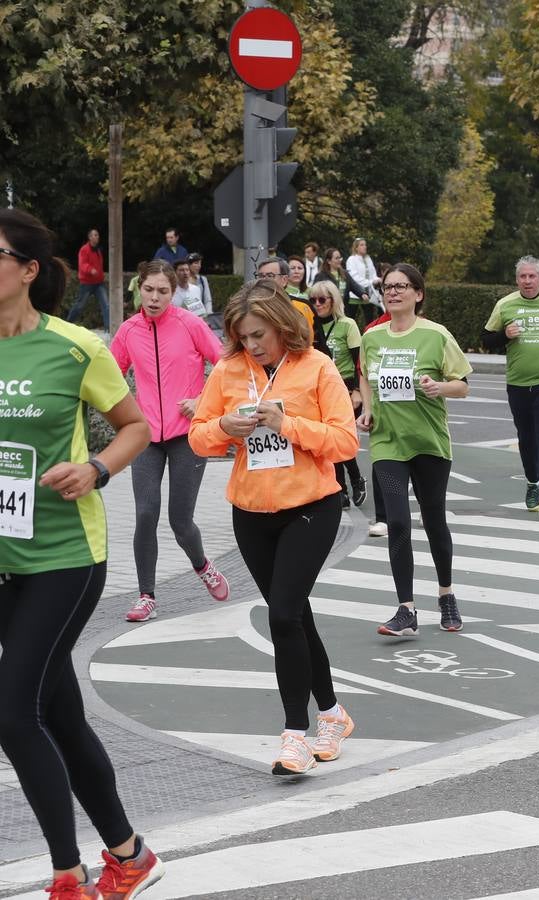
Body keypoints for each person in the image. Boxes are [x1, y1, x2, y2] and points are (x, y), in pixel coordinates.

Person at [0, 209, 164, 899]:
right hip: (4, 558)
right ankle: (128, 854)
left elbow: (136, 426)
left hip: (67, 556)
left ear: (28, 270)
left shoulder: (75, 346)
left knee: (13, 714)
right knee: (58, 713)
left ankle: (68, 874)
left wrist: (96, 468)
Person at [189, 282, 359, 776]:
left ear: (282, 326)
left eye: (260, 334)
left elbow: (345, 443)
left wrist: (287, 425)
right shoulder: (228, 370)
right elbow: (198, 437)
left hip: (311, 506)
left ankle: (294, 737)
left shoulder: (318, 368)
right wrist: (225, 428)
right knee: (294, 615)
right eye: (243, 338)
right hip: (251, 512)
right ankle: (332, 714)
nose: (253, 346)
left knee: (282, 615)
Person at [111, 259, 229, 622]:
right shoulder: (129, 331)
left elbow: (225, 364)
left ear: (174, 292)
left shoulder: (190, 324)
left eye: (163, 291)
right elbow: (110, 378)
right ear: (139, 289)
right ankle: (146, 596)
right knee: (145, 514)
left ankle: (202, 564)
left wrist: (202, 401)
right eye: (149, 290)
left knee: (181, 521)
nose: (155, 297)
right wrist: (126, 415)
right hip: (145, 436)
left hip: (186, 436)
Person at [359, 264, 472, 636]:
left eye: (401, 286)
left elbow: (463, 385)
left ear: (418, 294)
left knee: (434, 519)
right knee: (398, 524)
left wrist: (440, 388)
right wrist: (368, 410)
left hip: (429, 442)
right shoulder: (372, 338)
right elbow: (366, 375)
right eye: (388, 287)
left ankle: (446, 594)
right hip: (389, 443)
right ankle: (405, 609)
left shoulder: (436, 335)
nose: (393, 292)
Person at [481, 256, 539, 515]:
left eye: (532, 276)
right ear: (516, 280)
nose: (527, 281)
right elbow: (486, 339)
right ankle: (533, 482)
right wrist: (504, 335)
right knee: (526, 437)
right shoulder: (506, 305)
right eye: (523, 276)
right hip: (519, 383)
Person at [309, 280, 367, 508]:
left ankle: (355, 479)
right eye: (313, 300)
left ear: (334, 300)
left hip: (346, 387)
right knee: (327, 440)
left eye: (322, 299)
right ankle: (340, 489)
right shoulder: (310, 326)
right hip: (320, 388)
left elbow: (359, 363)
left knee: (340, 439)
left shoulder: (347, 324)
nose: (317, 304)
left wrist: (356, 391)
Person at [66, 228, 109, 333]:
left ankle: (108, 328)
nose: (96, 237)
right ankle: (67, 324)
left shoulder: (98, 250)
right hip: (87, 283)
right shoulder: (84, 249)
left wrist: (100, 274)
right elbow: (82, 264)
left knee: (106, 305)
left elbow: (99, 266)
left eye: (97, 235)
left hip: (99, 283)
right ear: (89, 237)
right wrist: (91, 270)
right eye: (94, 235)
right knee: (79, 305)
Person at [345, 238, 381, 310]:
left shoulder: (368, 259)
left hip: (368, 295)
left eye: (365, 245)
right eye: (362, 245)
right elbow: (354, 278)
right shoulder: (351, 259)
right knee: (352, 319)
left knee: (369, 319)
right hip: (354, 296)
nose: (365, 247)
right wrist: (371, 282)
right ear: (356, 248)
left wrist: (378, 280)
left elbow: (373, 274)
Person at [187, 251, 212, 318]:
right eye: (196, 263)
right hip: (187, 317)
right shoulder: (183, 281)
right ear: (188, 265)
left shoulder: (203, 280)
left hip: (202, 316)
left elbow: (207, 299)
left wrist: (208, 314)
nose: (199, 266)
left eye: (200, 263)